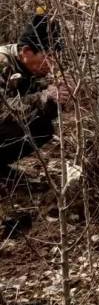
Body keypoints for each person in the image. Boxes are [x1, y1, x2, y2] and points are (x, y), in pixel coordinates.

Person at [0, 12, 69, 181]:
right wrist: (43, 97)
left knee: (42, 128)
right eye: (48, 57)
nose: (52, 65)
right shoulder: (2, 63)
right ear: (26, 51)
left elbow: (40, 108)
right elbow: (2, 111)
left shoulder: (31, 66)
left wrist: (57, 98)